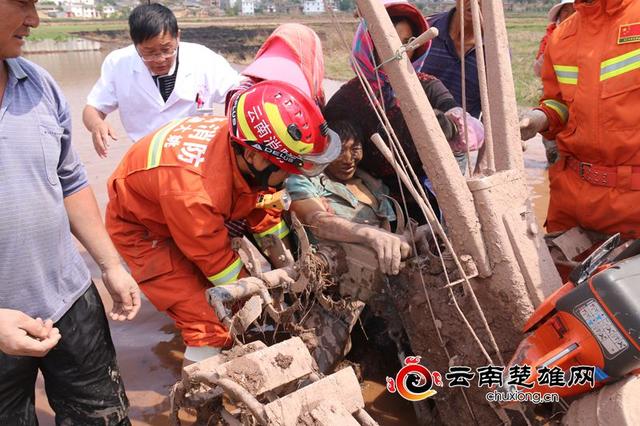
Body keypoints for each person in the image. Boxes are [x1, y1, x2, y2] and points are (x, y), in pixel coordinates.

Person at [105, 81, 340, 363]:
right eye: (287, 169)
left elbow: (265, 213)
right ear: (253, 156)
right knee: (211, 322)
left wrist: (289, 268)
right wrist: (256, 300)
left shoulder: (247, 148)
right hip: (144, 229)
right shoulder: (196, 193)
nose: (291, 177)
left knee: (223, 291)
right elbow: (218, 264)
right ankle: (199, 397)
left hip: (182, 207)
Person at [0, 0, 141, 423]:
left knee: (102, 417)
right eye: (22, 2)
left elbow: (70, 181)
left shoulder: (38, 83)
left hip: (68, 300)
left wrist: (110, 265)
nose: (35, 19)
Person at [325, 0, 483, 216]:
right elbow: (327, 153)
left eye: (407, 42)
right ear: (369, 42)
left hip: (425, 202)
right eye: (388, 42)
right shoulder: (347, 98)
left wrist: (451, 126)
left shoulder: (427, 86)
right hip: (370, 205)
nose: (400, 51)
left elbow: (469, 125)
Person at [520, 0, 640, 239]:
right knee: (562, 274)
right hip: (570, 198)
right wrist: (541, 118)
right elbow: (559, 102)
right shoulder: (562, 36)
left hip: (633, 202)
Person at [83, 3, 242, 157]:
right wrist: (96, 125)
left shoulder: (203, 59)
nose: (159, 59)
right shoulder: (118, 63)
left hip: (195, 154)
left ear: (178, 37)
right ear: (135, 45)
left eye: (166, 50)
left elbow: (240, 94)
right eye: (149, 52)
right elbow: (93, 109)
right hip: (147, 156)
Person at [287, 120, 410, 276]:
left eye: (355, 149)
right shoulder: (303, 180)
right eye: (340, 151)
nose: (348, 159)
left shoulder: (374, 185)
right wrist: (369, 234)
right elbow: (316, 221)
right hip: (333, 277)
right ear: (325, 152)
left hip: (382, 273)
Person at [421, 0, 483, 119]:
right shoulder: (425, 30)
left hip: (465, 134)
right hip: (411, 131)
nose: (475, 1)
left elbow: (493, 114)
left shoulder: (496, 54)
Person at [533, 0, 575, 165]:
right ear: (558, 17)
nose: (571, 15)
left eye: (574, 9)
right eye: (566, 11)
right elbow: (538, 69)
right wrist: (553, 49)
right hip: (555, 107)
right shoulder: (551, 38)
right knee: (554, 155)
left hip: (581, 113)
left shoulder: (593, 40)